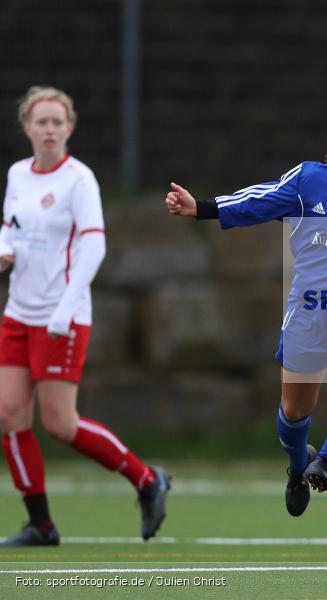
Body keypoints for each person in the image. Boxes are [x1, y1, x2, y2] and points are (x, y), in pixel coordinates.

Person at [165, 84, 327, 518]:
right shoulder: (308, 182)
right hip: (311, 305)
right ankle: (298, 466)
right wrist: (200, 208)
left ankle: (326, 460)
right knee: (295, 411)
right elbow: (257, 201)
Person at [0, 86, 170, 547]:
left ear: (70, 128)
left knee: (60, 424)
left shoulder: (79, 180)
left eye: (58, 122)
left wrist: (63, 309)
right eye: (42, 122)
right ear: (27, 128)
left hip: (62, 317)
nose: (50, 130)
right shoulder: (18, 174)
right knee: (10, 415)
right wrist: (5, 251)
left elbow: (94, 245)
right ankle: (42, 525)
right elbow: (10, 227)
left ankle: (146, 479)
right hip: (18, 314)